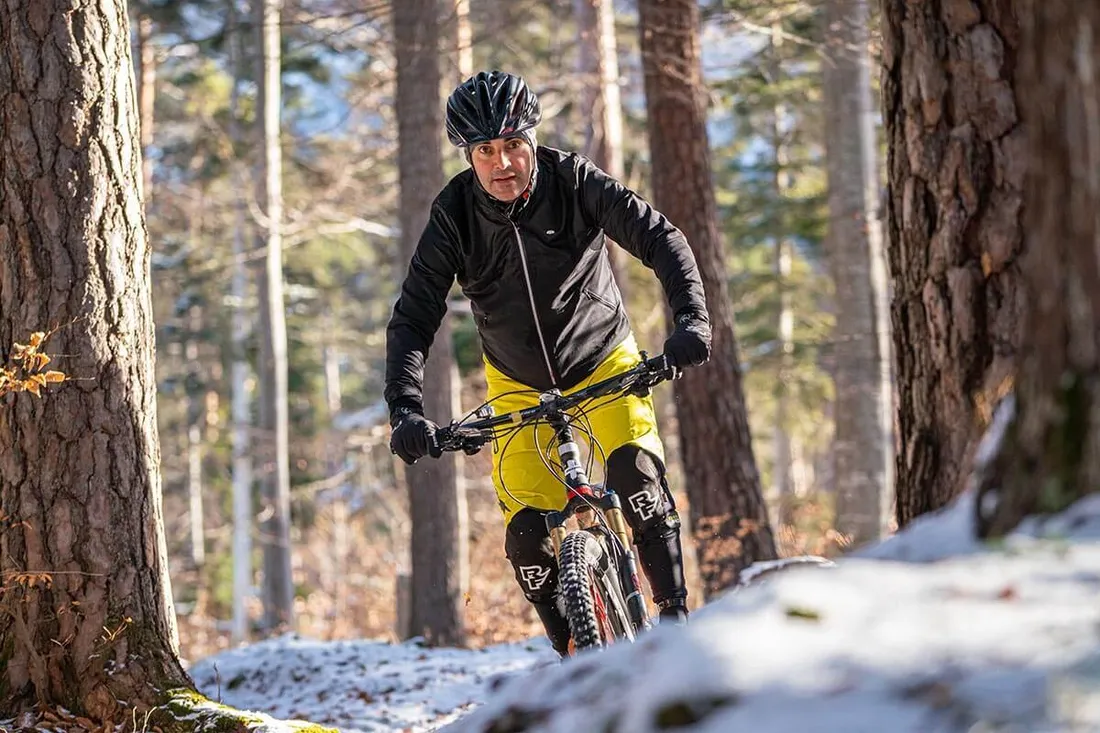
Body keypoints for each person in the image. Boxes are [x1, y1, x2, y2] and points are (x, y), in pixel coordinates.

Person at [384, 70, 712, 657]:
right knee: (527, 535)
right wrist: (406, 409)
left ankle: (674, 623)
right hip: (517, 382)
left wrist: (692, 320)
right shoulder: (454, 214)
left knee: (636, 476)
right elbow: (413, 318)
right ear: (469, 155)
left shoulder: (573, 180)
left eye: (512, 144)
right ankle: (571, 657)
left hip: (604, 358)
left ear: (532, 139)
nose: (501, 162)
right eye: (484, 150)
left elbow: (661, 239)